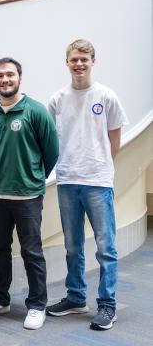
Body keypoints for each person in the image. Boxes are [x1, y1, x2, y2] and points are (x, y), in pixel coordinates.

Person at [46, 39, 128, 330]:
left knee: (106, 247)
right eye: (73, 59)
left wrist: (100, 166)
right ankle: (76, 296)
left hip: (97, 181)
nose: (79, 64)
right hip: (67, 180)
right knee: (72, 246)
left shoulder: (106, 96)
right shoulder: (57, 99)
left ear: (93, 61)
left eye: (84, 59)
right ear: (66, 63)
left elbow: (114, 140)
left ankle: (107, 305)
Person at [0, 57, 58, 330]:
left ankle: (37, 305)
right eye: (0, 76)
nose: (5, 80)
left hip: (28, 197)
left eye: (10, 75)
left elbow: (51, 151)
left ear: (19, 78)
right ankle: (0, 299)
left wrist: (35, 179)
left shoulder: (35, 110)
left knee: (31, 251)